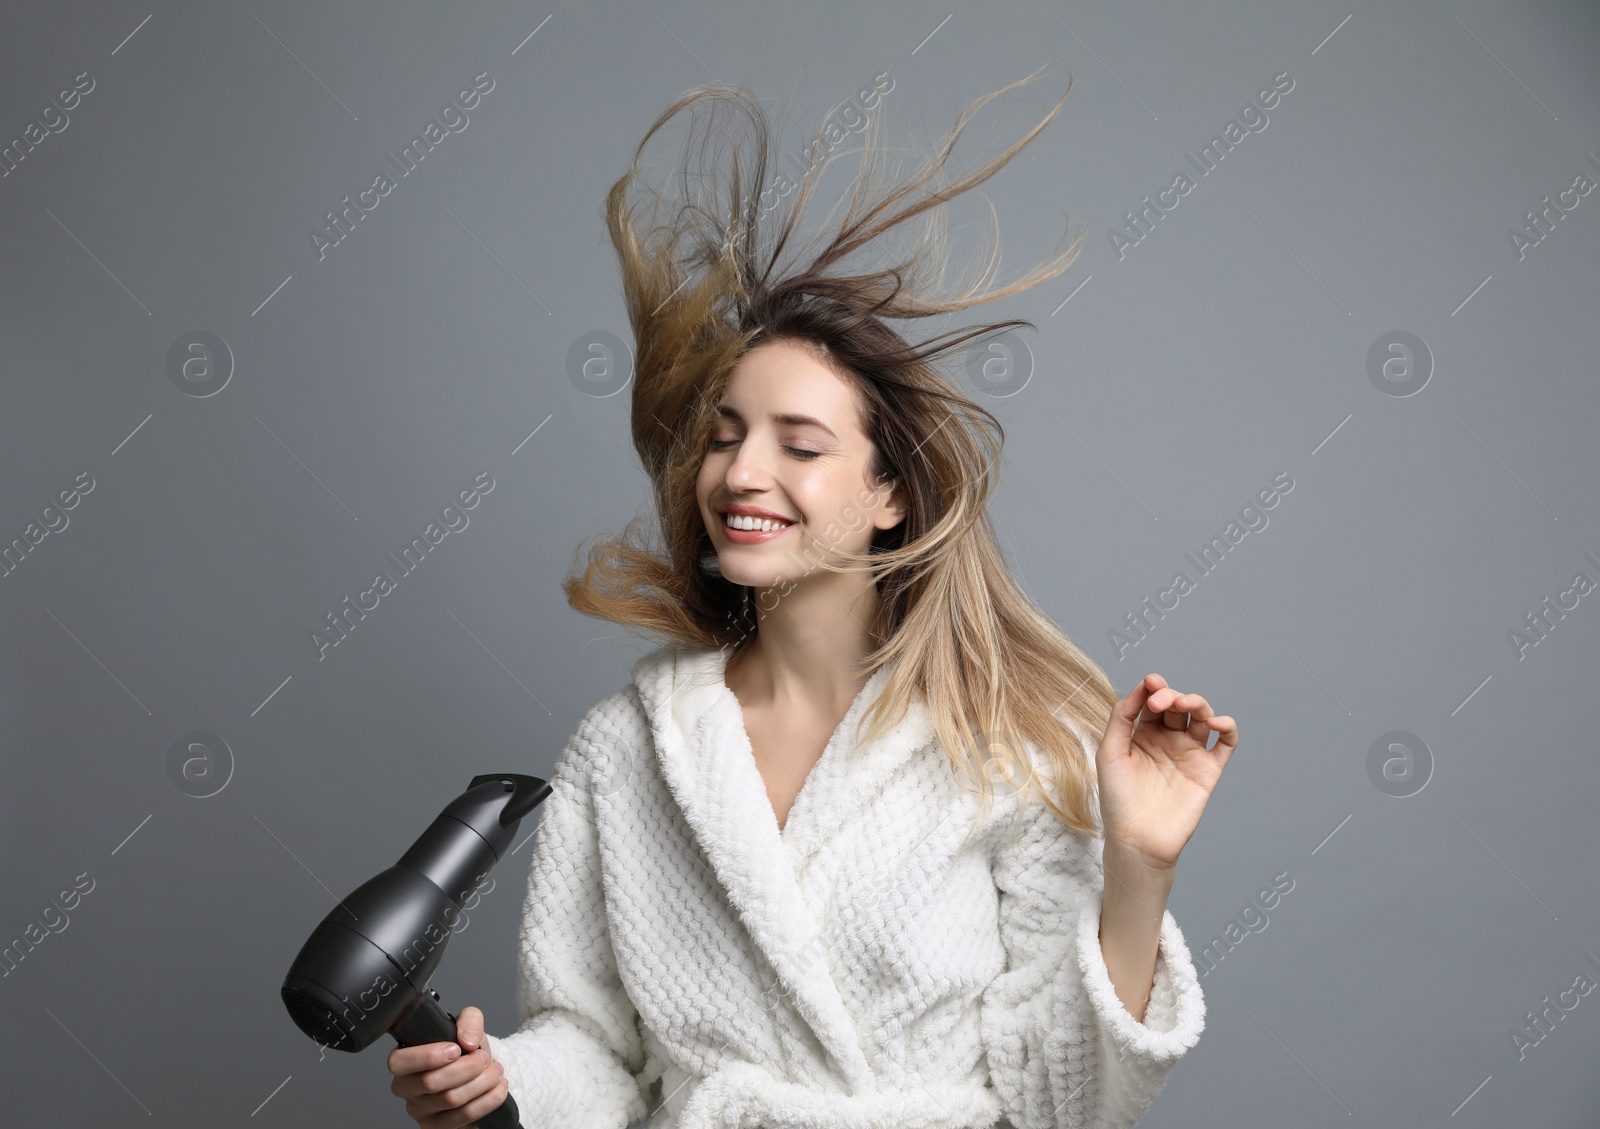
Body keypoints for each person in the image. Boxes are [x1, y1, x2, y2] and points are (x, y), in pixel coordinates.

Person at [387, 64, 1237, 1129]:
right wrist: (507, 1080)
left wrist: (1138, 869)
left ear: (888, 493)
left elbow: (1066, 1099)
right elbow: (596, 1052)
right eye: (726, 435)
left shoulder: (1008, 741)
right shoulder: (626, 751)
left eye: (800, 445)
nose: (743, 474)